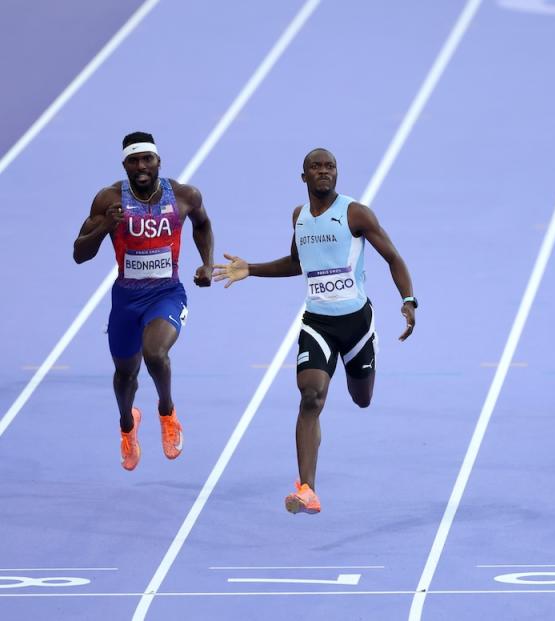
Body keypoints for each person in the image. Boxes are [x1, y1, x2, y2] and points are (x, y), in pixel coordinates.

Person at [212, 148, 416, 514]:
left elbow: (394, 257)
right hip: (317, 323)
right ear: (303, 176)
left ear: (337, 173)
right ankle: (307, 489)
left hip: (357, 326)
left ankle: (367, 361)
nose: (323, 171)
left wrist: (408, 299)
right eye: (315, 167)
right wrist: (251, 269)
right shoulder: (300, 217)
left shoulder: (355, 214)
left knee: (362, 399)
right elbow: (296, 263)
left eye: (330, 166)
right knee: (311, 397)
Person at [73, 131, 214, 471]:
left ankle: (167, 413)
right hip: (126, 301)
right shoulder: (108, 200)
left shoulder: (184, 195)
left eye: (147, 159)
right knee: (125, 376)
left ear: (158, 162)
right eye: (133, 160)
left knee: (156, 354)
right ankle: (127, 425)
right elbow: (79, 253)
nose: (141, 166)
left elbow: (203, 224)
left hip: (166, 294)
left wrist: (207, 264)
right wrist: (105, 226)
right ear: (124, 165)